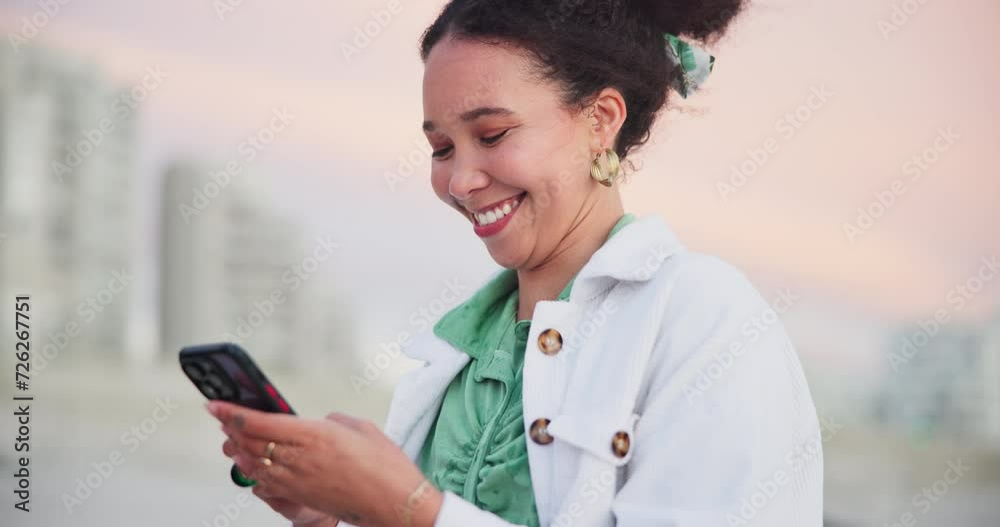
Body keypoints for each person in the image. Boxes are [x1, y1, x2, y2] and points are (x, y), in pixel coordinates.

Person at [206, 1, 824, 525]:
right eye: (441, 148)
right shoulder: (455, 355)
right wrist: (343, 510)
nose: (461, 180)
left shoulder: (704, 319)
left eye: (493, 134)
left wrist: (411, 507)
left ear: (600, 120)